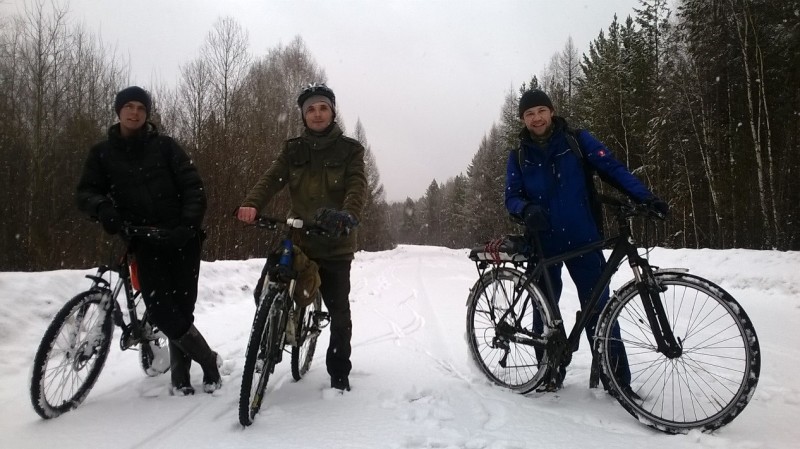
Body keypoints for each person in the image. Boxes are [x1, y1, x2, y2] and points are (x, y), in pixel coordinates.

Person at [505, 89, 669, 393]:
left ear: (552, 112)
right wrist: (525, 209)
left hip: (584, 239)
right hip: (543, 243)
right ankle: (548, 372)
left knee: (600, 310)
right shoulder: (518, 156)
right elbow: (511, 197)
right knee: (544, 311)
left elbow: (613, 169)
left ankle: (616, 381)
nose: (536, 118)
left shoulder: (576, 141)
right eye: (529, 114)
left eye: (541, 110)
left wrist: (646, 198)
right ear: (523, 120)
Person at [76, 86, 221, 395]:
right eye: (128, 106)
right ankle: (208, 360)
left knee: (182, 307)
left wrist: (187, 224)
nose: (134, 112)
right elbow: (86, 192)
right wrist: (103, 209)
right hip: (142, 241)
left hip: (182, 237)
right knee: (160, 310)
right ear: (118, 111)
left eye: (141, 108)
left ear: (147, 114)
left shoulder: (166, 147)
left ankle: (180, 378)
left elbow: (193, 186)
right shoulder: (102, 153)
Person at [236, 83, 367, 392]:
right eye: (311, 109)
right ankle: (269, 342)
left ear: (332, 112)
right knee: (267, 288)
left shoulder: (350, 150)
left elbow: (356, 186)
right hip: (300, 241)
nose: (317, 114)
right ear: (304, 115)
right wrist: (252, 203)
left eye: (323, 108)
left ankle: (338, 372)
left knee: (338, 311)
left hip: (335, 242)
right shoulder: (293, 149)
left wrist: (347, 215)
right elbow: (272, 178)